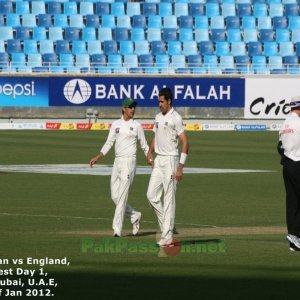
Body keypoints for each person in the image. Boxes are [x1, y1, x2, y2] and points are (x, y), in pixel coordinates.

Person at [90, 98, 149, 237]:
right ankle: (134, 215)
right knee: (115, 196)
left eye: (134, 107)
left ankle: (117, 229)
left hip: (130, 162)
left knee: (122, 196)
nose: (132, 109)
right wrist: (98, 156)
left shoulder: (137, 126)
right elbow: (109, 142)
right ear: (123, 108)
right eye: (130, 107)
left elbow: (144, 144)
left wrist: (149, 157)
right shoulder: (116, 124)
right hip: (117, 162)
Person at [146, 87, 189, 247]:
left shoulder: (176, 118)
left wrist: (180, 166)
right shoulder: (157, 116)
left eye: (162, 101)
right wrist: (149, 152)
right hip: (158, 160)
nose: (159, 104)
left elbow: (186, 142)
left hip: (171, 160)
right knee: (151, 196)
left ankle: (168, 236)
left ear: (169, 101)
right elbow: (155, 136)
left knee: (169, 199)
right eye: (158, 101)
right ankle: (167, 225)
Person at [279, 96, 300, 252]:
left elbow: (279, 146)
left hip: (287, 164)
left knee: (292, 201)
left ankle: (293, 239)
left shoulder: (285, 122)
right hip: (298, 163)